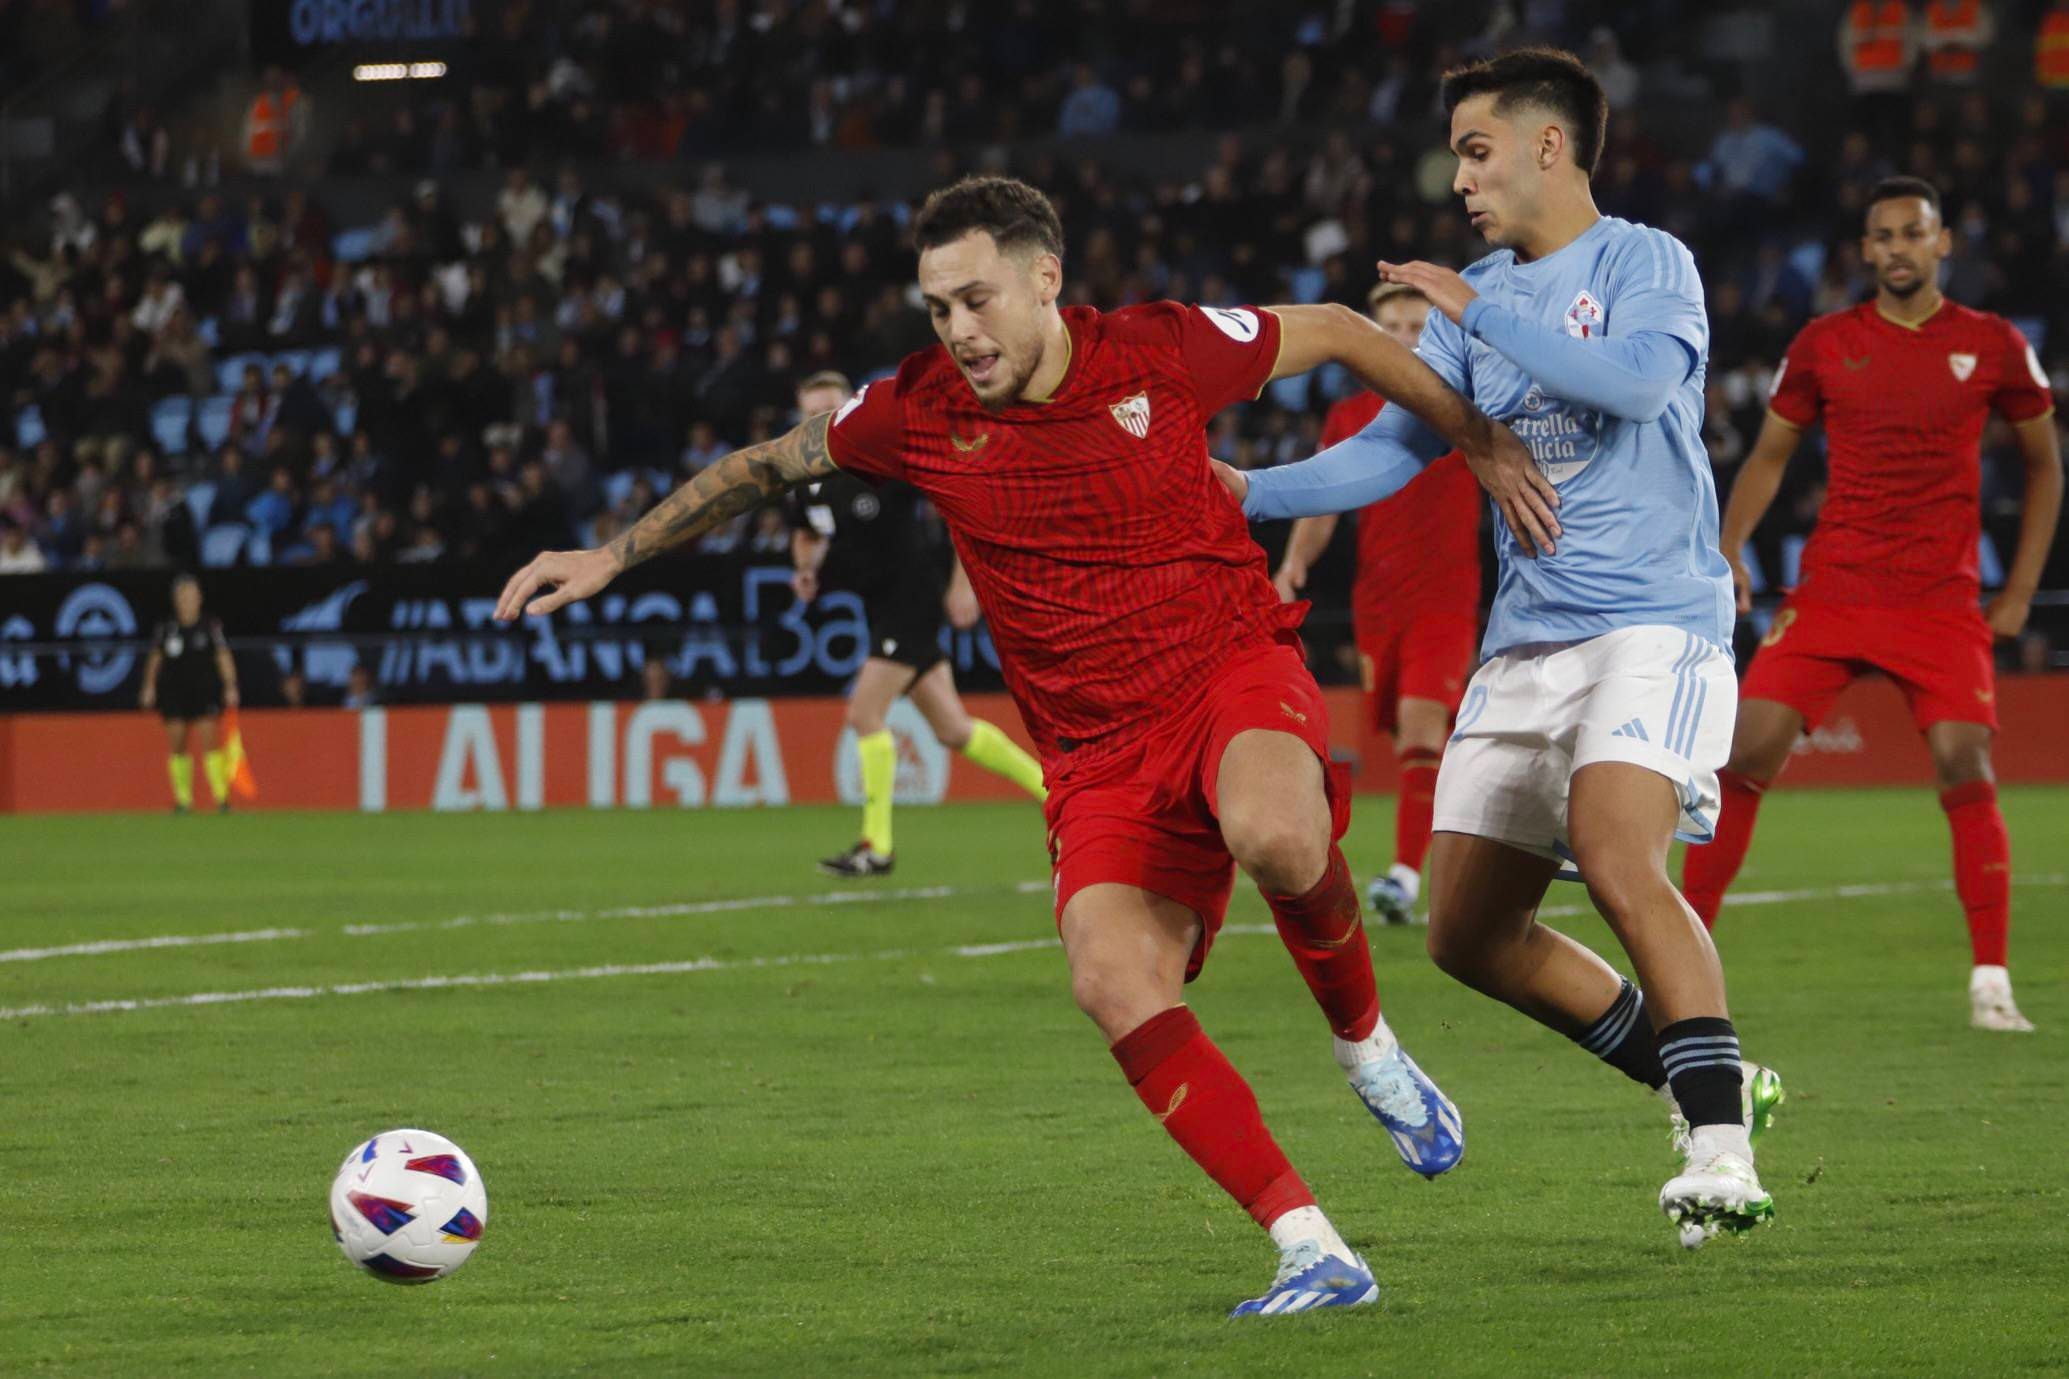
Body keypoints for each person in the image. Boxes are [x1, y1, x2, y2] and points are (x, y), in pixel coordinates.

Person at [495, 174, 1539, 1315]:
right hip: (1094, 749)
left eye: (976, 300)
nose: (956, 331)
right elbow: (763, 466)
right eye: (936, 308)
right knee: (1107, 978)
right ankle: (1309, 1245)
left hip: (1225, 665)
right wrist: (610, 556)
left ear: (1045, 279)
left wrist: (1476, 443)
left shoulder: (1159, 348)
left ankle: (1366, 1045)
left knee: (1275, 830)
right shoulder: (914, 408)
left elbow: (1339, 329)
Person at [1227, 48, 1782, 1250]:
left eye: (1476, 151)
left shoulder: (1644, 262)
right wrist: (1247, 491)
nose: (1459, 177)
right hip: (1525, 640)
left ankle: (1720, 1149)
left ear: (1548, 145)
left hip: (1653, 618)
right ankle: (1712, 1076)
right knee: (1464, 934)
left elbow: (1634, 387)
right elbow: (1389, 448)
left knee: (1614, 846)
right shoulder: (1470, 295)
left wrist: (1488, 310)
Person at [1681, 176, 2062, 1033]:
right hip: (1836, 588)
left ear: (1941, 244)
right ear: (1865, 250)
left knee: (1965, 758)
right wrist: (1729, 549)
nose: (1896, 247)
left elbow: (2044, 466)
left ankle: (1990, 983)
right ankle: (1679, 960)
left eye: (1912, 233)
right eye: (1881, 236)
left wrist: (2020, 591)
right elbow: (1770, 456)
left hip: (1939, 599)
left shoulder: (1992, 345)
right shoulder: (1824, 342)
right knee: (1744, 749)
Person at [1271, 282, 1482, 925]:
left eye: (1418, 325)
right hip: (1378, 602)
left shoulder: (1465, 405)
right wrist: (1293, 564)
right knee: (1400, 736)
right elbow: (1325, 494)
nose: (1406, 338)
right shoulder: (1350, 417)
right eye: (1392, 326)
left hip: (1446, 596)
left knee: (1423, 727)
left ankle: (1406, 875)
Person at [785, 370, 1047, 877]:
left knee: (864, 714)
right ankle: (1057, 794)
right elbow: (808, 534)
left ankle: (876, 846)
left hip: (913, 596)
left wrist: (962, 583)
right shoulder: (807, 477)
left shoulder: (880, 459)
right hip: (880, 607)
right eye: (810, 409)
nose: (820, 417)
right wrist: (806, 570)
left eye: (829, 407)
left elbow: (958, 504)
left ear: (846, 407)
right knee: (953, 729)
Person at [139, 573, 239, 814]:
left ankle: (222, 798)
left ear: (199, 598)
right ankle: (183, 800)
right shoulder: (166, 628)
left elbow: (223, 656)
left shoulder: (210, 626)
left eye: (191, 595)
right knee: (178, 744)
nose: (187, 600)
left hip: (204, 690)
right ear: (176, 599)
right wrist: (149, 686)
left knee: (210, 742)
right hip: (174, 691)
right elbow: (155, 658)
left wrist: (230, 685)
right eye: (183, 595)